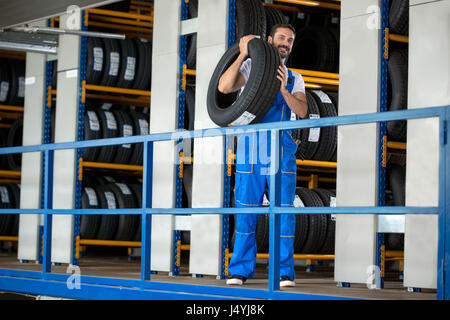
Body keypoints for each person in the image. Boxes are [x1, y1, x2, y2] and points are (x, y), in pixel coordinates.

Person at [218, 24, 308, 287]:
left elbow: (301, 111)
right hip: (251, 148)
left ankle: (283, 273)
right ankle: (239, 270)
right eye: (281, 38)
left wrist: (283, 90)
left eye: (290, 40)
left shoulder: (295, 78)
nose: (286, 43)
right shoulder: (250, 69)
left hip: (281, 150)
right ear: (269, 40)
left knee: (282, 212)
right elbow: (224, 88)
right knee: (246, 210)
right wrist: (242, 54)